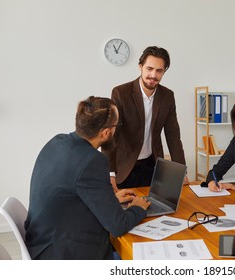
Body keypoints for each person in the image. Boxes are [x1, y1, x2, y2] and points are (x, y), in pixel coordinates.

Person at [24, 96, 151, 260]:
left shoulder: (57, 142)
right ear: (106, 132)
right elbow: (118, 226)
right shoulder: (92, 161)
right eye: (117, 125)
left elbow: (71, 193)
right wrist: (138, 208)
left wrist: (109, 200)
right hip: (63, 255)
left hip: (41, 242)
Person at [102, 46, 188, 189]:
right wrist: (110, 173)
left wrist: (181, 171)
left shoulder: (167, 96)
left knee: (154, 208)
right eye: (149, 68)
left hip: (153, 165)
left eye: (159, 71)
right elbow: (111, 135)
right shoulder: (120, 93)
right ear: (140, 66)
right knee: (123, 208)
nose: (153, 75)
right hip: (124, 167)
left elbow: (173, 135)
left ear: (164, 71)